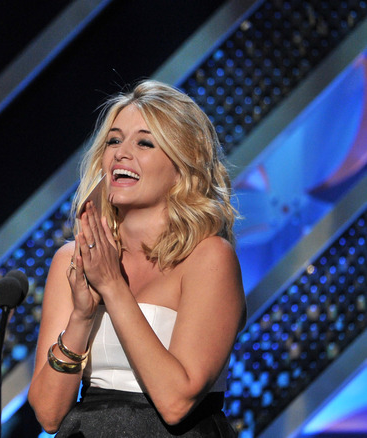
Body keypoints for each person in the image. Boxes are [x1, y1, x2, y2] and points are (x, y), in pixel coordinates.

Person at [28, 80, 246, 437]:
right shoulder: (72, 260)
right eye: (114, 140)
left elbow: (177, 402)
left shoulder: (209, 257)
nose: (121, 153)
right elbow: (50, 415)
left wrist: (113, 287)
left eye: (144, 142)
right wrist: (82, 316)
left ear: (182, 165)